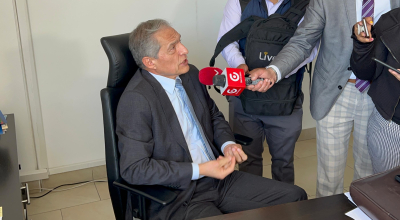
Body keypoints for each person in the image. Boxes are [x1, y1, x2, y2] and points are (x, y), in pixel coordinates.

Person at [116, 19, 307, 220]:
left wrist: (228, 144)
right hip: (179, 196)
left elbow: (213, 116)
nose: (184, 49)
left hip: (219, 179)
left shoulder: (190, 75)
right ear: (150, 62)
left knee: (295, 197)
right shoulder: (136, 100)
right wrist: (200, 169)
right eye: (173, 48)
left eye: (180, 41)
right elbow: (134, 169)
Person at [246, 0, 400, 197]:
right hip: (333, 93)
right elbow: (303, 40)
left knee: (368, 175)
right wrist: (274, 71)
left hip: (379, 92)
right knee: (329, 176)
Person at [216, 0, 318, 184]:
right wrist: (240, 66)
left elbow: (308, 49)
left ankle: (284, 207)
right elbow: (226, 41)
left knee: (283, 162)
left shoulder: (306, 5)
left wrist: (275, 73)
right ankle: (252, 208)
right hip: (244, 99)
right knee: (247, 160)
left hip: (285, 101)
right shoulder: (240, 2)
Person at [350, 8, 400, 173]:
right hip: (390, 126)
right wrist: (362, 45)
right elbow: (366, 72)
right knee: (386, 193)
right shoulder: (390, 20)